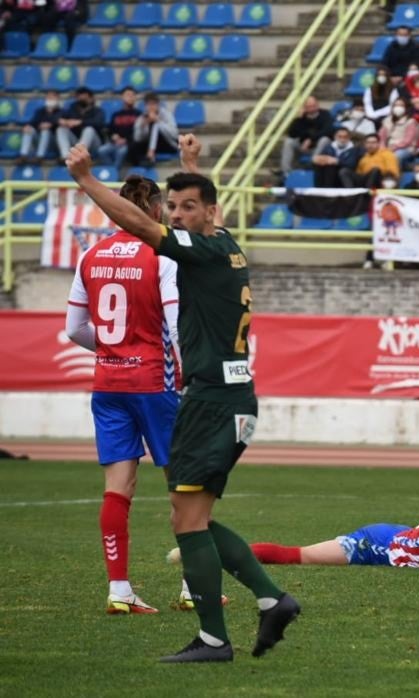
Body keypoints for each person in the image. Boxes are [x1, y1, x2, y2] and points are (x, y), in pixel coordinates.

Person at [65, 137, 300, 663]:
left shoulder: (199, 248)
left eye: (186, 206)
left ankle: (219, 637)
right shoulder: (226, 242)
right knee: (188, 513)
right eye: (171, 205)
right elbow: (193, 217)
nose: (174, 215)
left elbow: (145, 228)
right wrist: (191, 170)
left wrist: (87, 180)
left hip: (213, 400)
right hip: (229, 396)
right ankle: (269, 599)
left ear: (210, 211)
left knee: (188, 518)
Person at [64, 175, 179, 616]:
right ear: (152, 209)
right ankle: (193, 585)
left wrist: (113, 349)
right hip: (153, 382)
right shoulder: (161, 255)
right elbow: (174, 326)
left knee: (117, 489)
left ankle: (119, 588)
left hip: (107, 384)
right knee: (182, 487)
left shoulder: (90, 256)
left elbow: (74, 329)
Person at [181, 479, 419, 572]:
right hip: (379, 543)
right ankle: (211, 554)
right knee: (299, 556)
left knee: (298, 558)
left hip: (402, 542)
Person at [280, 97, 333, 177]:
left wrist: (310, 139)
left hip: (318, 148)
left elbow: (328, 130)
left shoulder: (325, 114)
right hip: (303, 146)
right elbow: (292, 134)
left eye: (314, 106)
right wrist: (298, 119)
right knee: (288, 141)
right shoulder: (301, 118)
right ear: (304, 108)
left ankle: (312, 165)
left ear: (318, 105)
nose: (312, 108)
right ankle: (286, 172)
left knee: (324, 139)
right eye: (309, 107)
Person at [97, 86, 142, 169]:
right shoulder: (116, 114)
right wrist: (114, 136)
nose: (130, 97)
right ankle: (112, 171)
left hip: (129, 143)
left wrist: (126, 140)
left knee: (121, 151)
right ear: (122, 97)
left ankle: (114, 174)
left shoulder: (139, 114)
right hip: (115, 142)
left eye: (132, 95)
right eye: (128, 95)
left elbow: (139, 133)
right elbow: (110, 130)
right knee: (101, 151)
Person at [132, 93, 179, 167]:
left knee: (155, 124)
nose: (151, 107)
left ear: (158, 104)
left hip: (167, 144)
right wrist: (143, 127)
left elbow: (174, 134)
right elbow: (137, 138)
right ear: (145, 106)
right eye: (149, 104)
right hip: (150, 144)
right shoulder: (142, 118)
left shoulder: (166, 114)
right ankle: (139, 166)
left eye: (153, 104)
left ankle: (151, 154)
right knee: (132, 146)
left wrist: (159, 121)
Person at [56, 87, 105, 158]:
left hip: (94, 145)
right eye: (80, 96)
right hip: (76, 141)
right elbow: (58, 117)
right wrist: (64, 121)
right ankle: (66, 156)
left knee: (89, 129)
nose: (82, 98)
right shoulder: (72, 109)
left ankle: (78, 155)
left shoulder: (98, 111)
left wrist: (80, 122)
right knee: (61, 129)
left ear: (91, 98)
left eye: (85, 97)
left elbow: (98, 123)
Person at [20, 90, 63, 162]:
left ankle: (40, 156)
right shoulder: (40, 111)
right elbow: (33, 122)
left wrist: (50, 124)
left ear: (57, 99)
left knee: (46, 131)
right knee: (29, 129)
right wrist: (28, 126)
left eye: (52, 98)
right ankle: (23, 155)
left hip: (53, 141)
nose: (50, 100)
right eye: (48, 98)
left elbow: (60, 124)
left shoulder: (62, 111)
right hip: (39, 139)